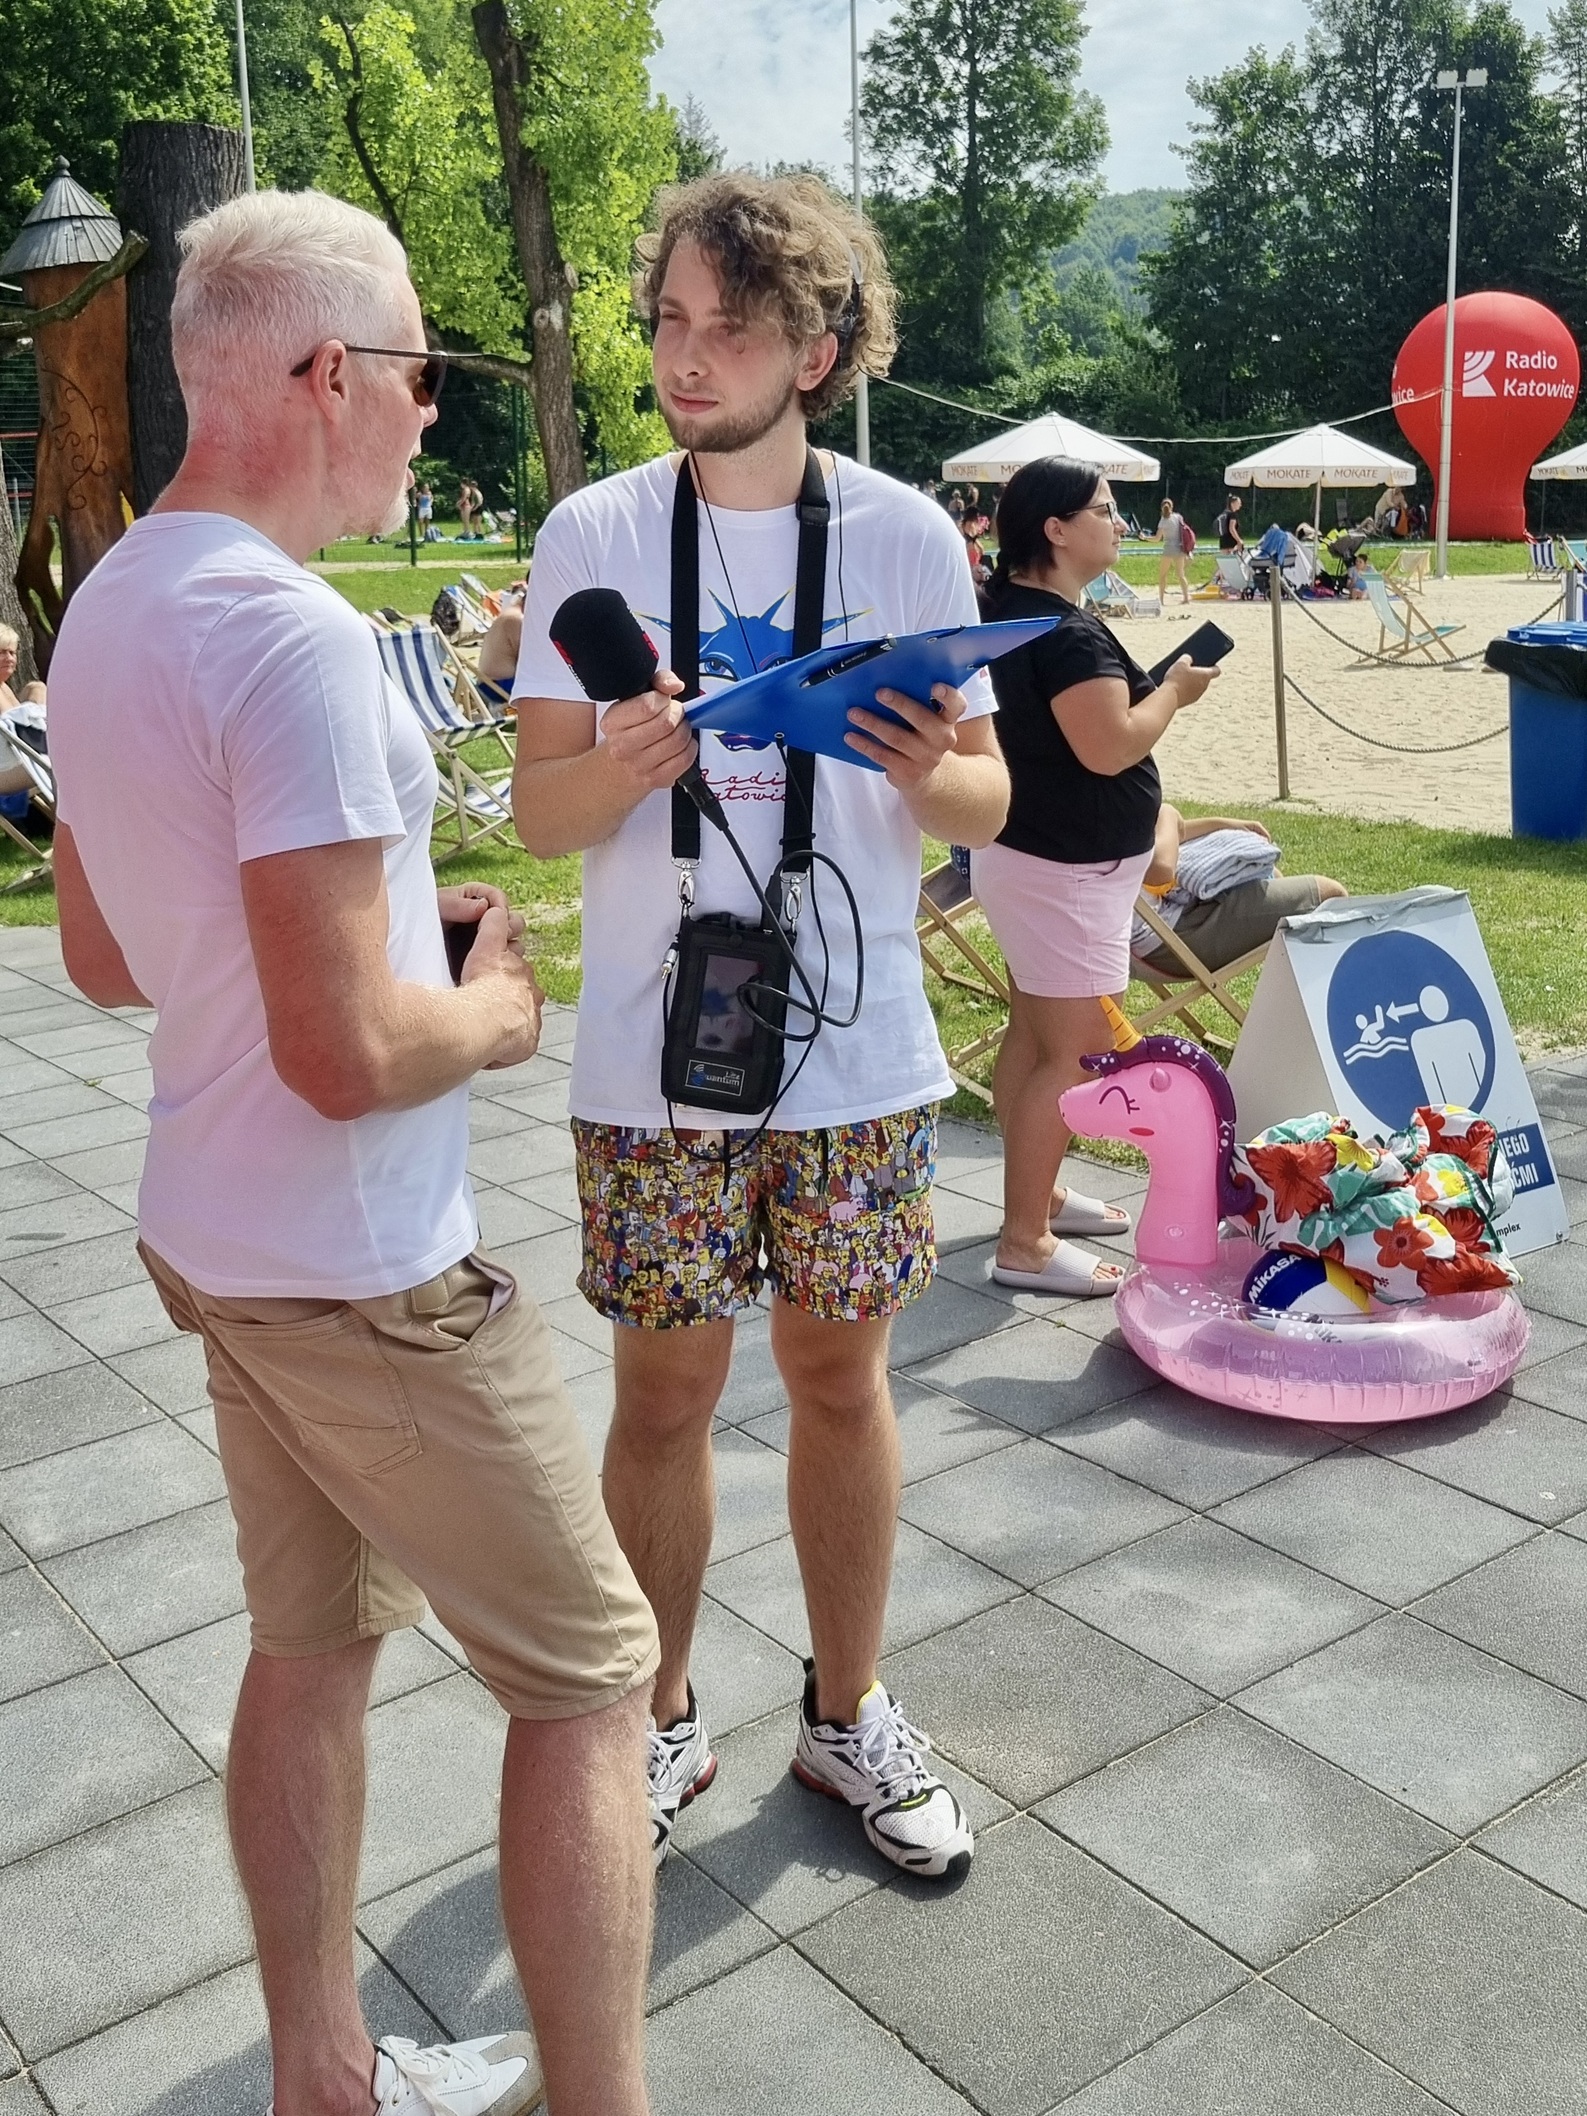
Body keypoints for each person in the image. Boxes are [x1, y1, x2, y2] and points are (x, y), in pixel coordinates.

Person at [47, 189, 659, 2116]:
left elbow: (101, 952)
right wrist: (495, 1008)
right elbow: (351, 1056)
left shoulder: (111, 600)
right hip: (366, 1273)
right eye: (418, 372)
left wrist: (382, 933)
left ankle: (325, 2077)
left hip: (221, 1242)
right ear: (329, 374)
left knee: (309, 1647)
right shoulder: (295, 641)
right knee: (594, 1681)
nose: (426, 412)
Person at [511, 171, 1009, 1882]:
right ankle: (655, 1719)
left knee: (838, 1378)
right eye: (668, 319)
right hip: (652, 1049)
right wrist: (615, 768)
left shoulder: (904, 534)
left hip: (854, 1045)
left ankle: (845, 1710)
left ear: (815, 349)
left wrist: (926, 768)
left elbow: (987, 801)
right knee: (661, 1390)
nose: (685, 354)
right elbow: (540, 817)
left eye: (728, 326)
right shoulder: (589, 535)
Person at [972, 455, 1217, 1296]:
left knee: (1033, 1037)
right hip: (1064, 873)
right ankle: (1025, 1242)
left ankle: (1035, 1197)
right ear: (1055, 528)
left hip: (1028, 856)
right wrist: (1173, 692)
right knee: (1077, 1058)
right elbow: (1108, 746)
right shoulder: (1064, 633)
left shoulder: (1005, 613)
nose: (1119, 524)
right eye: (1105, 510)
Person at [1134, 803, 1346, 976]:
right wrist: (1167, 813)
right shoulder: (1119, 789)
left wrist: (1223, 824)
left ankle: (1294, 1003)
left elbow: (1164, 834)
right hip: (1167, 939)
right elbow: (1160, 870)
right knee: (1330, 897)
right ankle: (1314, 1007)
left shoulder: (1115, 791)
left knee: (1271, 875)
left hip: (1157, 925)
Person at [0, 621, 46, 801]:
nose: (9, 658)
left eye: (12, 652)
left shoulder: (5, 688)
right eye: (1, 652)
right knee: (67, 760)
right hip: (5, 771)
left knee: (36, 687)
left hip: (22, 761)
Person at [1157, 495, 1192, 604]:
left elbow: (1157, 538)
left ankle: (1161, 599)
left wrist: (1145, 538)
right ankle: (1186, 598)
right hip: (1179, 549)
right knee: (1181, 575)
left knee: (1163, 575)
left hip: (1168, 549)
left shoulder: (1163, 521)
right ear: (1172, 507)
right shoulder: (1178, 517)